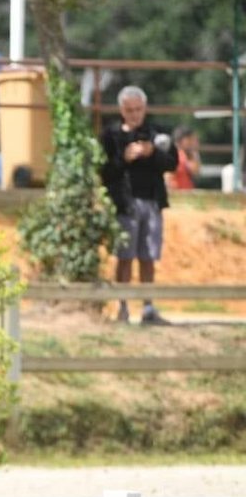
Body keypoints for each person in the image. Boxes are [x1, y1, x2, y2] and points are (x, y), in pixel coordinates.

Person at [100, 86, 179, 325]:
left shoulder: (156, 133)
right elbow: (104, 171)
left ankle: (148, 309)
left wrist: (152, 152)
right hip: (125, 204)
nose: (135, 114)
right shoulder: (111, 136)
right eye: (129, 110)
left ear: (144, 109)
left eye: (138, 109)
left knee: (148, 256)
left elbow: (172, 164)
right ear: (122, 111)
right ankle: (122, 308)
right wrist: (124, 158)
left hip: (152, 202)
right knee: (124, 257)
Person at [167, 125, 201, 191]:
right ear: (180, 141)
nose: (194, 142)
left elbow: (196, 171)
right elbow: (168, 179)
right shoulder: (175, 156)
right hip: (178, 194)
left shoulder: (189, 155)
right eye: (190, 139)